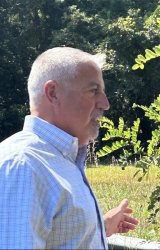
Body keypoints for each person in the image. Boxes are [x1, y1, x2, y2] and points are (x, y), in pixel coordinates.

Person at [0, 47, 139, 249]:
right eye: (93, 91)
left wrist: (102, 225)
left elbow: (62, 236)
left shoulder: (57, 159)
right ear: (53, 93)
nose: (105, 103)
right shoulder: (22, 166)